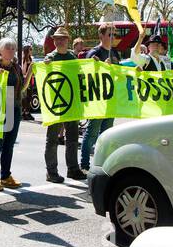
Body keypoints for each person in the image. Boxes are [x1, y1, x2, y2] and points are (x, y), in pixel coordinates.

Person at [43, 26, 85, 183]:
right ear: (53, 41)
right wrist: (45, 66)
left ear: (68, 41)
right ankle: (51, 171)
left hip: (72, 103)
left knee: (73, 137)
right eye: (56, 39)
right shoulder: (50, 59)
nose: (59, 41)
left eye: (62, 38)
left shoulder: (73, 59)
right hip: (55, 104)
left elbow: (81, 77)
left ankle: (73, 169)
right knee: (52, 139)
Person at [80, 23, 123, 171]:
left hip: (111, 99)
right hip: (98, 99)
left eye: (114, 34)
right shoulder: (94, 53)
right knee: (92, 132)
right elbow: (88, 75)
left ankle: (100, 164)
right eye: (110, 34)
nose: (113, 37)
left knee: (106, 134)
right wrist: (102, 66)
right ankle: (85, 165)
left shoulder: (115, 53)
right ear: (101, 36)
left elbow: (120, 75)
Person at [0, 38, 26, 192]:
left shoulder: (16, 67)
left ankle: (5, 175)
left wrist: (30, 72)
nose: (10, 50)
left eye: (13, 48)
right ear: (0, 50)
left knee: (9, 144)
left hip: (13, 108)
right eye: (7, 47)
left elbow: (21, 86)